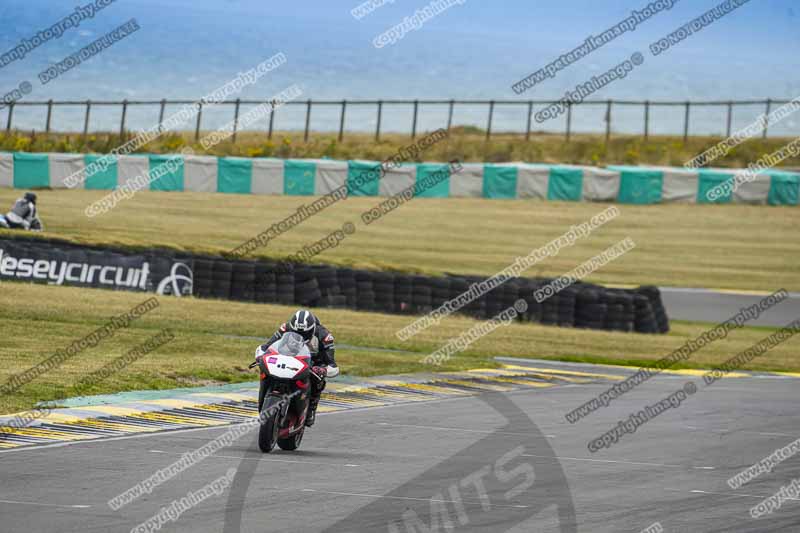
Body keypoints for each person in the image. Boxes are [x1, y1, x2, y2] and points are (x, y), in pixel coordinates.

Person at [259, 309, 338, 426]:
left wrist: (324, 370)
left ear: (312, 329)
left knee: (318, 379)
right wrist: (260, 355)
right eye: (296, 332)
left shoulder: (324, 336)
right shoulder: (285, 327)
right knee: (264, 367)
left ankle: (311, 407)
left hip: (313, 363)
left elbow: (332, 365)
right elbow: (266, 346)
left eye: (304, 333)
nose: (300, 335)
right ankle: (264, 396)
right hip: (288, 357)